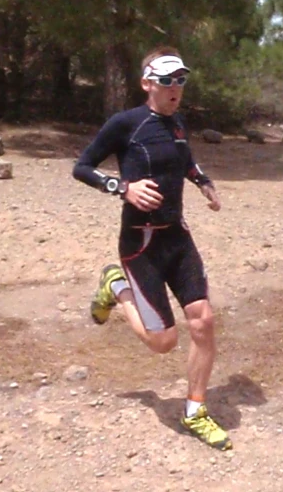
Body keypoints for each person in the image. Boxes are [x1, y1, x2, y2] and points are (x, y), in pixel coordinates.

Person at [72, 46, 231, 451]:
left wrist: (203, 182)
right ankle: (116, 288)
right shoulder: (126, 124)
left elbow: (186, 160)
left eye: (181, 80)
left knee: (203, 322)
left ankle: (195, 410)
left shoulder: (178, 123)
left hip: (177, 237)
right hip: (140, 244)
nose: (176, 88)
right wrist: (122, 187)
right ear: (147, 83)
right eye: (167, 80)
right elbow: (82, 166)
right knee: (164, 342)